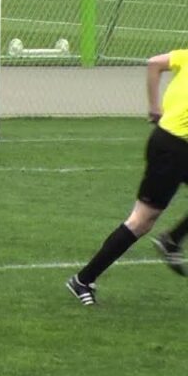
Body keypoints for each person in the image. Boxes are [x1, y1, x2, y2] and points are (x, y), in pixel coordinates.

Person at [67, 49, 188, 306]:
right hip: (171, 149)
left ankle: (172, 240)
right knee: (141, 221)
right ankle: (83, 279)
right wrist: (156, 108)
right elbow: (153, 64)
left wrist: (155, 109)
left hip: (174, 143)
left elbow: (154, 63)